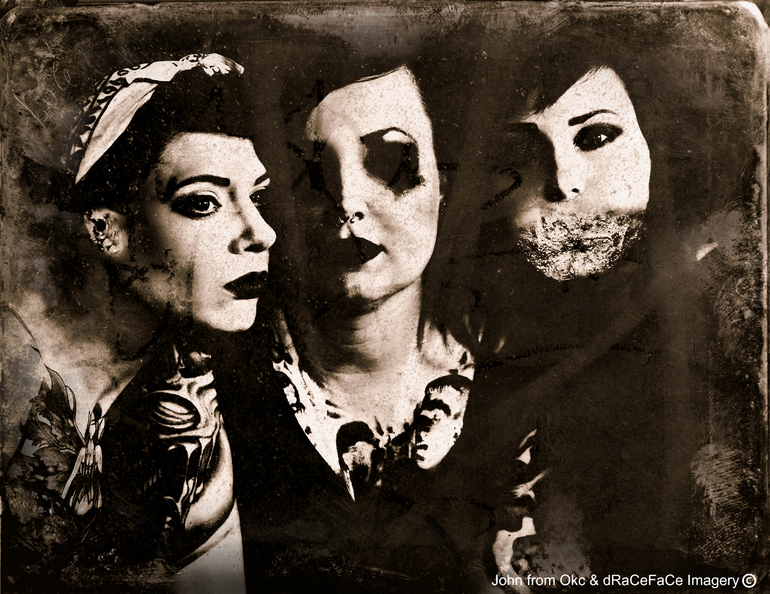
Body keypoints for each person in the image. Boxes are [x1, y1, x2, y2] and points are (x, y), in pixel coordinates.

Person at [2, 53, 276, 593]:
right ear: (107, 230)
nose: (261, 233)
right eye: (204, 203)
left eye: (257, 197)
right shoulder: (12, 365)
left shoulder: (191, 416)